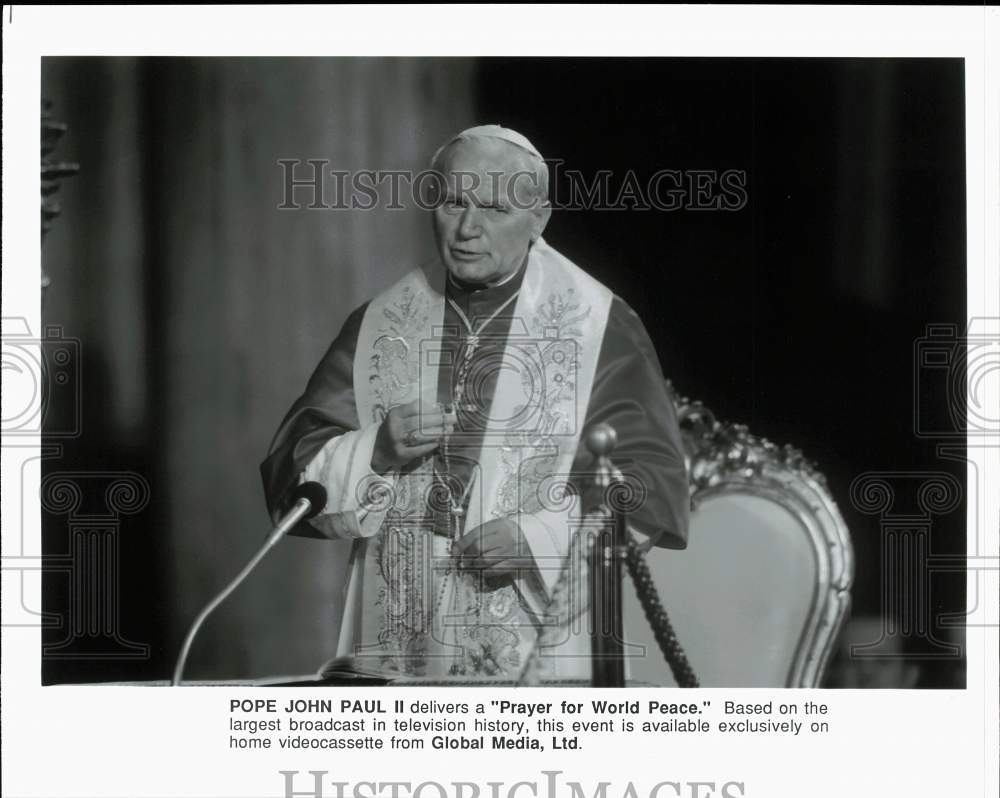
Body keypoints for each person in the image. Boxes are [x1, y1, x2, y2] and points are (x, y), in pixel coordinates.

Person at [261, 125, 689, 683]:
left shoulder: (598, 324)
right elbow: (294, 472)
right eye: (452, 202)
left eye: (493, 207)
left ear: (539, 217)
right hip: (397, 637)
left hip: (536, 641)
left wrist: (538, 539)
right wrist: (378, 451)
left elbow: (650, 482)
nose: (467, 229)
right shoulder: (380, 322)